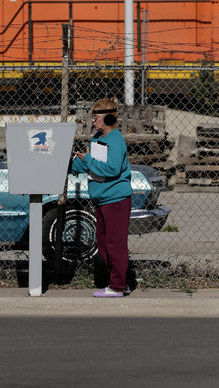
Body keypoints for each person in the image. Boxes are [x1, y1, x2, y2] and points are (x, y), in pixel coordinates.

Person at [71, 97, 132, 298]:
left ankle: (116, 286)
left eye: (96, 117)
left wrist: (88, 159)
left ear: (107, 118)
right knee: (104, 243)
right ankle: (121, 282)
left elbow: (112, 168)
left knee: (115, 243)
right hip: (102, 199)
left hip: (116, 199)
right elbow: (91, 164)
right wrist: (74, 164)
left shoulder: (115, 140)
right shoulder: (97, 138)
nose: (93, 121)